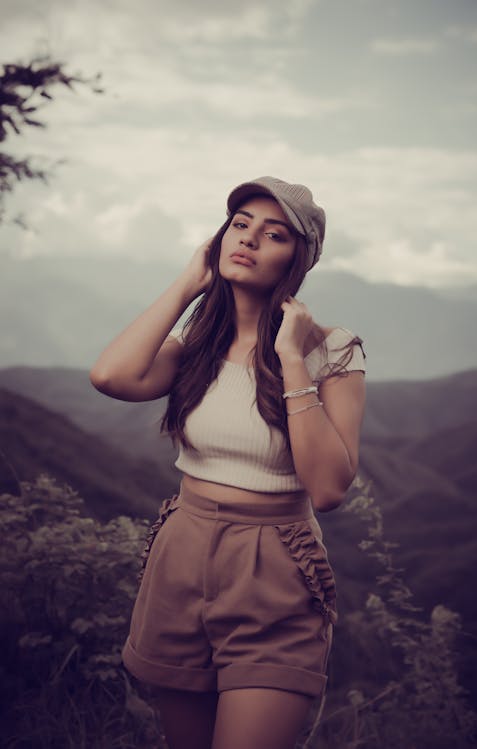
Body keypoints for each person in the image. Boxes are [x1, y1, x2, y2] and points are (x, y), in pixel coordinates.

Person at [90, 176, 366, 749]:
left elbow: (330, 487)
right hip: (182, 553)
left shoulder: (331, 350)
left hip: (275, 567)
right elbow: (111, 376)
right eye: (239, 225)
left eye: (274, 235)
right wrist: (188, 283)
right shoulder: (198, 344)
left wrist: (291, 358)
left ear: (299, 259)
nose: (249, 240)